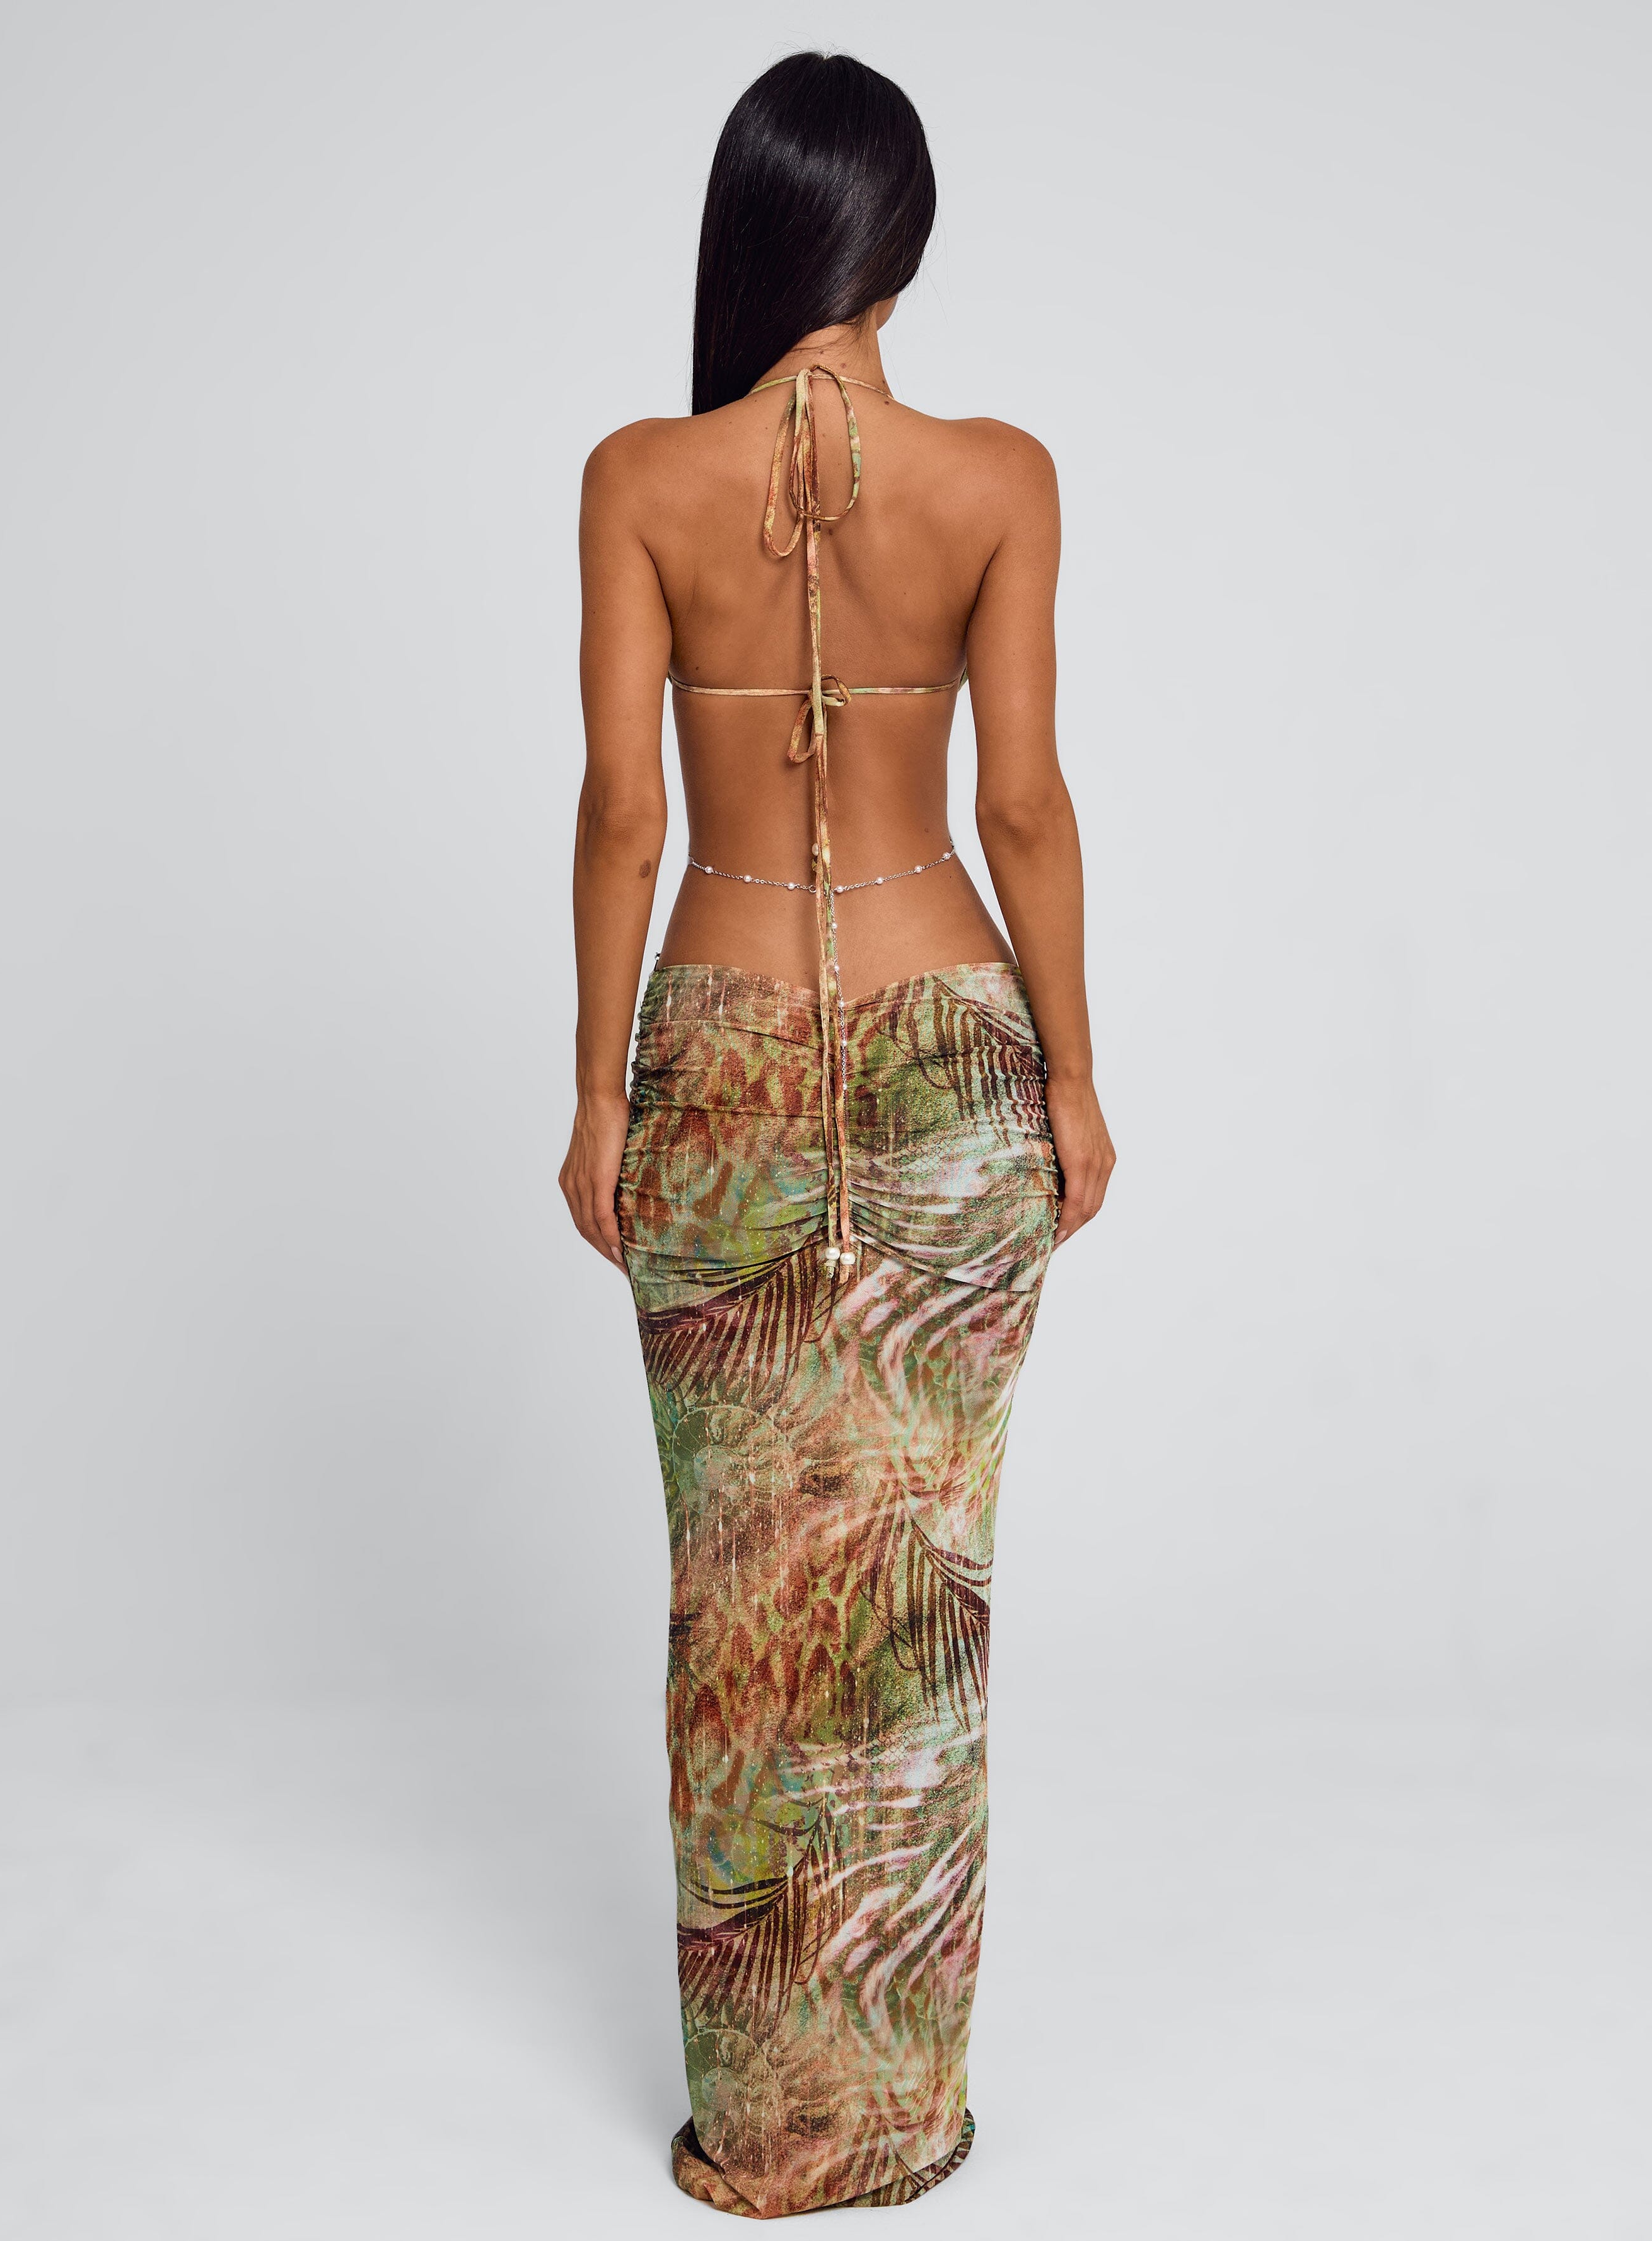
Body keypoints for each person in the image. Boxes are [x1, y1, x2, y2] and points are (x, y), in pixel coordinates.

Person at [559, 50, 1115, 2219]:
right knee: (914, 1594)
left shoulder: (638, 476)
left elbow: (625, 813)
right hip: (948, 1053)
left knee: (737, 1597)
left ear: (751, 227)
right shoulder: (996, 477)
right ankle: (896, 2114)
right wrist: (1072, 1074)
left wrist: (595, 1091)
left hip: (712, 1058)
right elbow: (1020, 805)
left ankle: (762, 2126)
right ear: (901, 238)